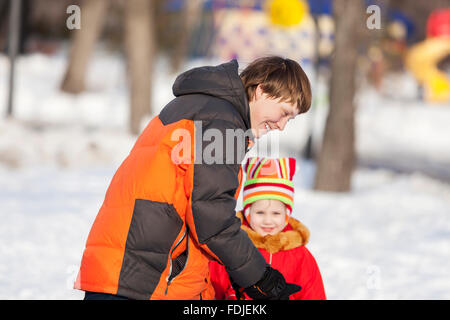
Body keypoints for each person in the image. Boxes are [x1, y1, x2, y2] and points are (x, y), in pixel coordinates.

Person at [74, 56, 312, 300]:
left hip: (126, 264)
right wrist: (259, 277)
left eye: (290, 120)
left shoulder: (201, 106)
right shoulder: (222, 122)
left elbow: (193, 204)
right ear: (262, 91)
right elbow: (212, 218)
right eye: (284, 113)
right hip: (143, 274)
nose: (282, 126)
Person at [209, 157, 326, 300]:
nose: (268, 220)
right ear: (248, 212)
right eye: (260, 213)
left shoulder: (300, 256)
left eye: (276, 213)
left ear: (286, 215)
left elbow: (313, 293)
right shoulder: (231, 247)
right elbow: (212, 286)